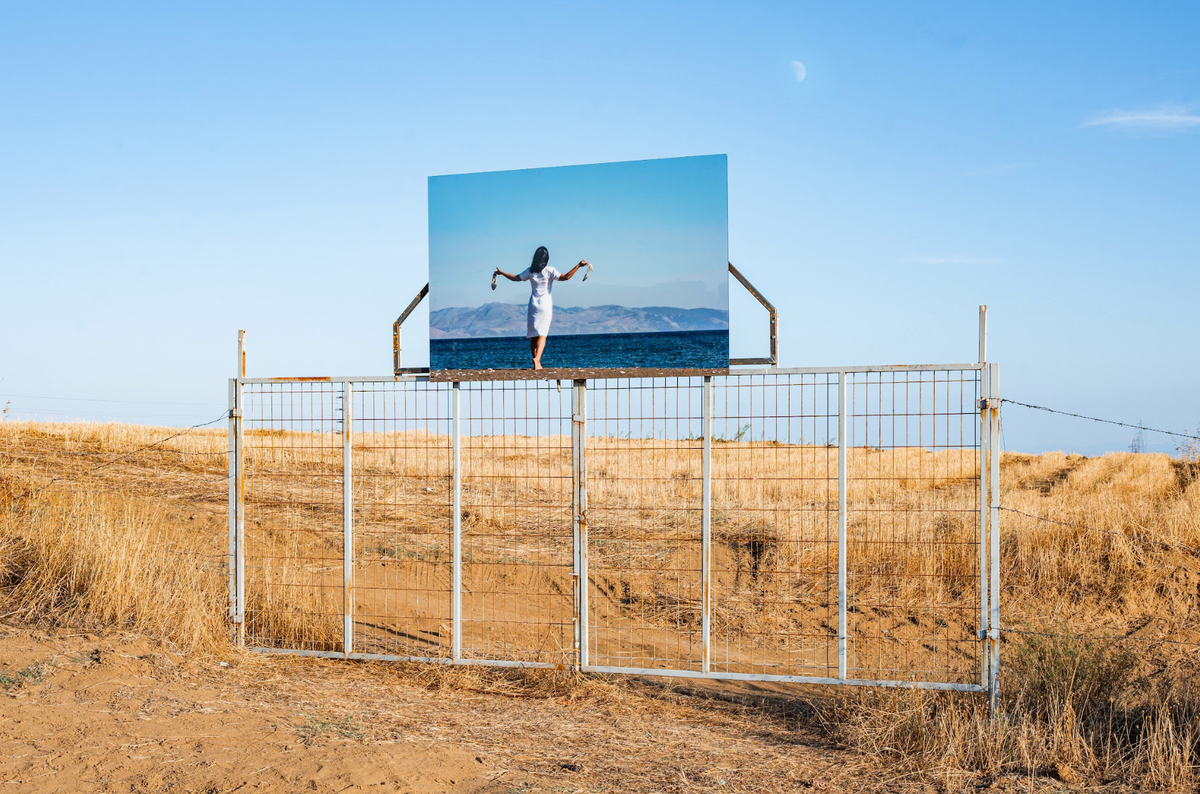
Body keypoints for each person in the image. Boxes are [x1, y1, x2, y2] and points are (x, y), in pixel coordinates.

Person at [493, 246, 588, 370]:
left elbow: (515, 278)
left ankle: (536, 363)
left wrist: (501, 272)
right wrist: (578, 265)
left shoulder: (530, 271)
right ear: (546, 258)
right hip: (545, 306)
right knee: (542, 334)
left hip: (533, 305)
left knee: (533, 336)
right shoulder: (549, 270)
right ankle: (537, 360)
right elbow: (566, 277)